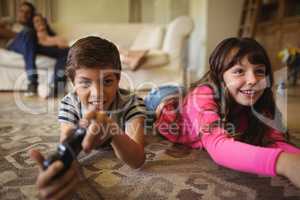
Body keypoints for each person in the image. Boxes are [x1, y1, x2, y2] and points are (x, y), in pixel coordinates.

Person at [144, 37, 300, 188]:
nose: (253, 80)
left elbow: (274, 140)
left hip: (190, 97)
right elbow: (218, 146)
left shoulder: (260, 100)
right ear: (220, 76)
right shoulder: (203, 95)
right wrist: (284, 163)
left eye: (259, 71)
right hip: (164, 99)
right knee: (144, 112)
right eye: (239, 71)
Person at [30, 36, 147, 199]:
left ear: (118, 79)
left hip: (148, 107)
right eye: (85, 83)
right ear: (73, 84)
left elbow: (137, 161)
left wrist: (111, 127)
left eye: (107, 81)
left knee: (161, 103)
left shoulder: (132, 103)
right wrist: (59, 173)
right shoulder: (69, 103)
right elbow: (67, 145)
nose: (97, 94)